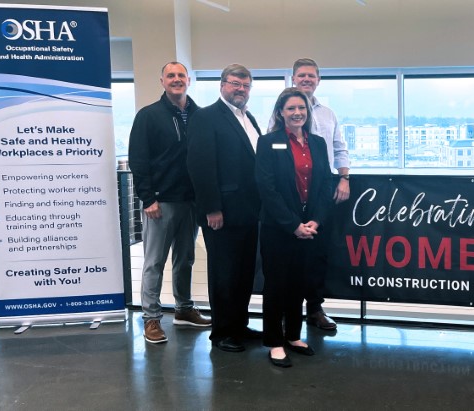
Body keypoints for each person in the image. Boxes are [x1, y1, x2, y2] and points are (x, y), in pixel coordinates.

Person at [128, 61, 211, 344]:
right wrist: (148, 198)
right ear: (162, 81)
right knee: (154, 262)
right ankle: (151, 318)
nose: (176, 79)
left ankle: (184, 309)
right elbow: (138, 160)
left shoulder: (201, 116)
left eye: (181, 75)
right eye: (171, 75)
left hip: (192, 202)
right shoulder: (148, 116)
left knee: (186, 259)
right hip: (160, 204)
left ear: (189, 80)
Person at [267, 58, 349, 331]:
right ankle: (285, 318)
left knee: (315, 259)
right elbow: (271, 150)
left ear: (318, 80)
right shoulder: (282, 110)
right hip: (289, 196)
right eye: (301, 75)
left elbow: (339, 147)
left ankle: (314, 309)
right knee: (287, 264)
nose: (306, 79)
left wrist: (344, 177)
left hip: (319, 193)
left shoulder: (328, 113)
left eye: (311, 76)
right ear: (293, 79)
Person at [256, 88, 335, 367]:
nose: (297, 113)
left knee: (299, 285)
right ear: (280, 113)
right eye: (290, 108)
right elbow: (267, 189)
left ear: (307, 111)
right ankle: (274, 342)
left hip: (309, 228)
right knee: (277, 285)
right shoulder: (268, 143)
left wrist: (316, 220)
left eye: (301, 108)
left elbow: (326, 184)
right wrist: (293, 225)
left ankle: (292, 335)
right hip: (279, 228)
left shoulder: (317, 143)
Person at [187, 63, 262, 353]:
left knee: (244, 273)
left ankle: (239, 325)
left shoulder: (248, 117)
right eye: (234, 84)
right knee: (224, 273)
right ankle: (221, 333)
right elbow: (200, 166)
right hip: (222, 213)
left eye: (245, 86)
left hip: (249, 211)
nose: (240, 89)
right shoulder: (206, 117)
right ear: (222, 85)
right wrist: (211, 208)